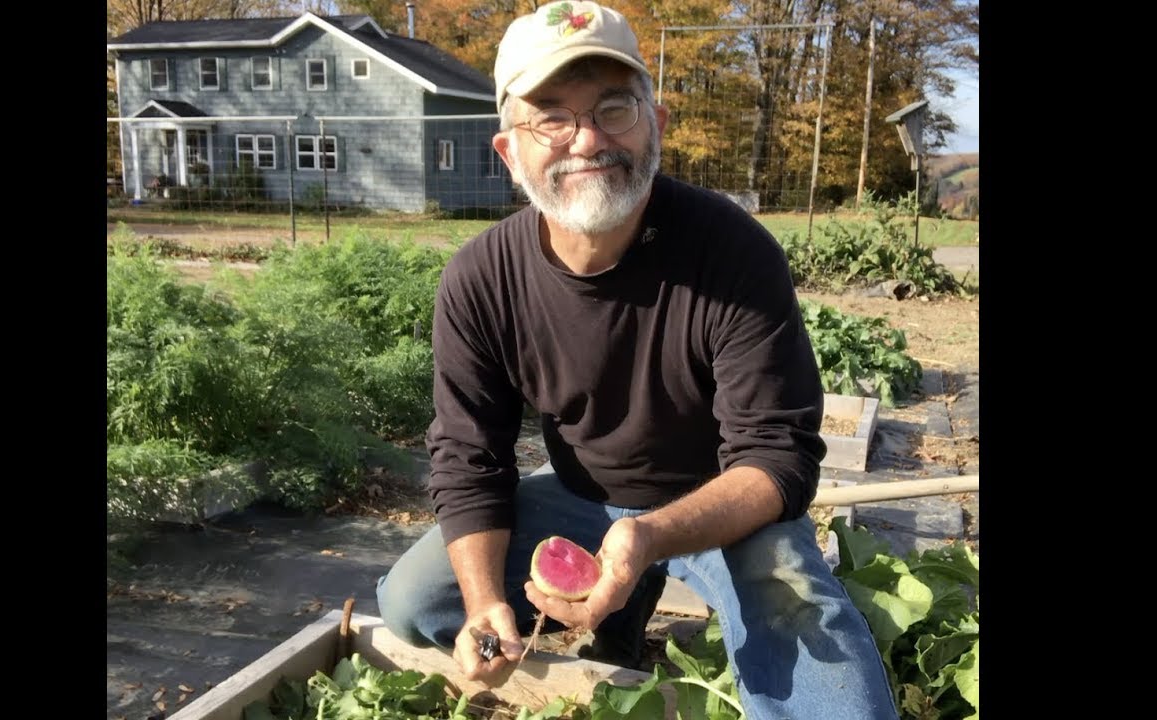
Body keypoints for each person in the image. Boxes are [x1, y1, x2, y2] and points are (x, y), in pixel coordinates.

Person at [376, 2, 899, 717]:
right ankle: (620, 618)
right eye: (551, 117)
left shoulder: (732, 253)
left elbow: (777, 458)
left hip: (722, 506)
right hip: (582, 498)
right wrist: (484, 605)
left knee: (841, 706)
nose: (587, 139)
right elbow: (469, 458)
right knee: (412, 601)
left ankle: (637, 587)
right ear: (509, 151)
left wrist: (648, 538)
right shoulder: (481, 277)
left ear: (655, 123)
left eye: (614, 107)